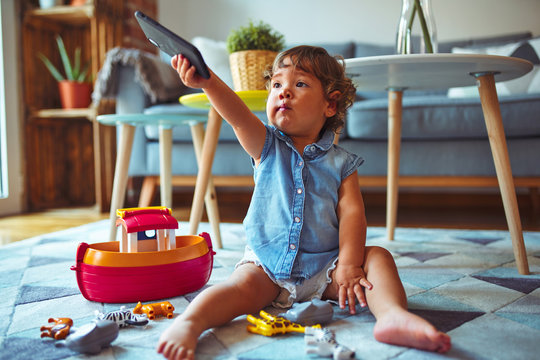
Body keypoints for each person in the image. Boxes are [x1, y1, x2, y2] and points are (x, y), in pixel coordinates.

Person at [157, 45, 451, 360]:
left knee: (378, 258)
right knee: (234, 290)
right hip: (266, 268)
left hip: (325, 270)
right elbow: (238, 117)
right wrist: (208, 82)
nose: (284, 93)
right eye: (277, 85)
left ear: (330, 104)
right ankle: (190, 323)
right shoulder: (265, 145)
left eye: (299, 84)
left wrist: (349, 266)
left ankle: (392, 315)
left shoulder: (342, 163)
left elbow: (353, 214)